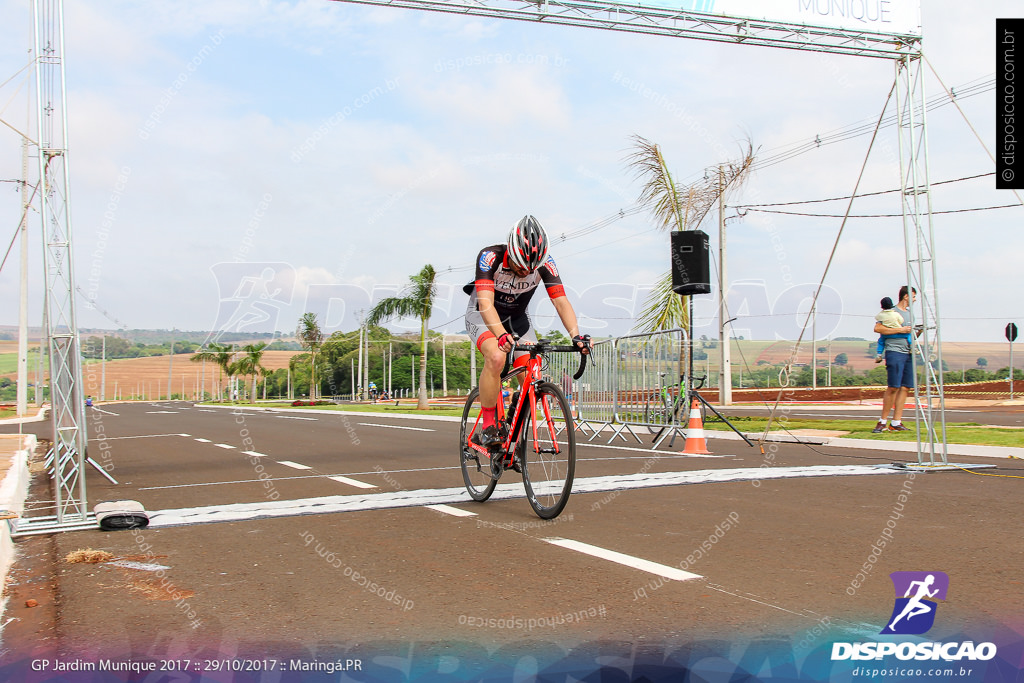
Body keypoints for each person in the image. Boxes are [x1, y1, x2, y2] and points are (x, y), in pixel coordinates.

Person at [463, 215, 590, 448]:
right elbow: (486, 304)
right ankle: (489, 426)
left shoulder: (545, 263)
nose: (525, 272)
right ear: (510, 252)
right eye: (521, 267)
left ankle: (513, 430)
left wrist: (576, 335)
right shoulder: (490, 257)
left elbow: (561, 301)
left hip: (518, 320)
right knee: (496, 356)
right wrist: (500, 335)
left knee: (532, 371)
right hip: (483, 314)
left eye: (531, 269)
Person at [872, 286, 920, 434]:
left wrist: (918, 331)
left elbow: (911, 335)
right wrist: (900, 330)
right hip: (894, 351)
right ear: (905, 297)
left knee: (905, 387)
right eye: (913, 296)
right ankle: (882, 422)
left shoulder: (911, 315)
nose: (914, 299)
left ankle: (896, 422)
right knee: (893, 386)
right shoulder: (890, 312)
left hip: (908, 352)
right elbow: (878, 329)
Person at [874, 296, 907, 363]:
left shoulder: (880, 315)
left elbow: (877, 318)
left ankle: (879, 354)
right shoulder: (896, 314)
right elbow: (901, 321)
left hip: (886, 335)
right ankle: (913, 348)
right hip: (898, 334)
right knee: (909, 336)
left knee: (881, 341)